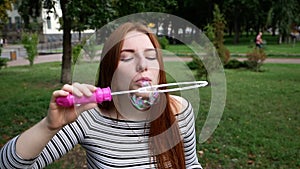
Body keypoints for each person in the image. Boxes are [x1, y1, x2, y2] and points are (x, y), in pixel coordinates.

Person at [0, 22, 202, 169]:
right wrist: (48, 126)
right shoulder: (88, 117)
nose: (143, 65)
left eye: (151, 56)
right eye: (127, 57)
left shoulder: (180, 110)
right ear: (110, 72)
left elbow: (190, 164)